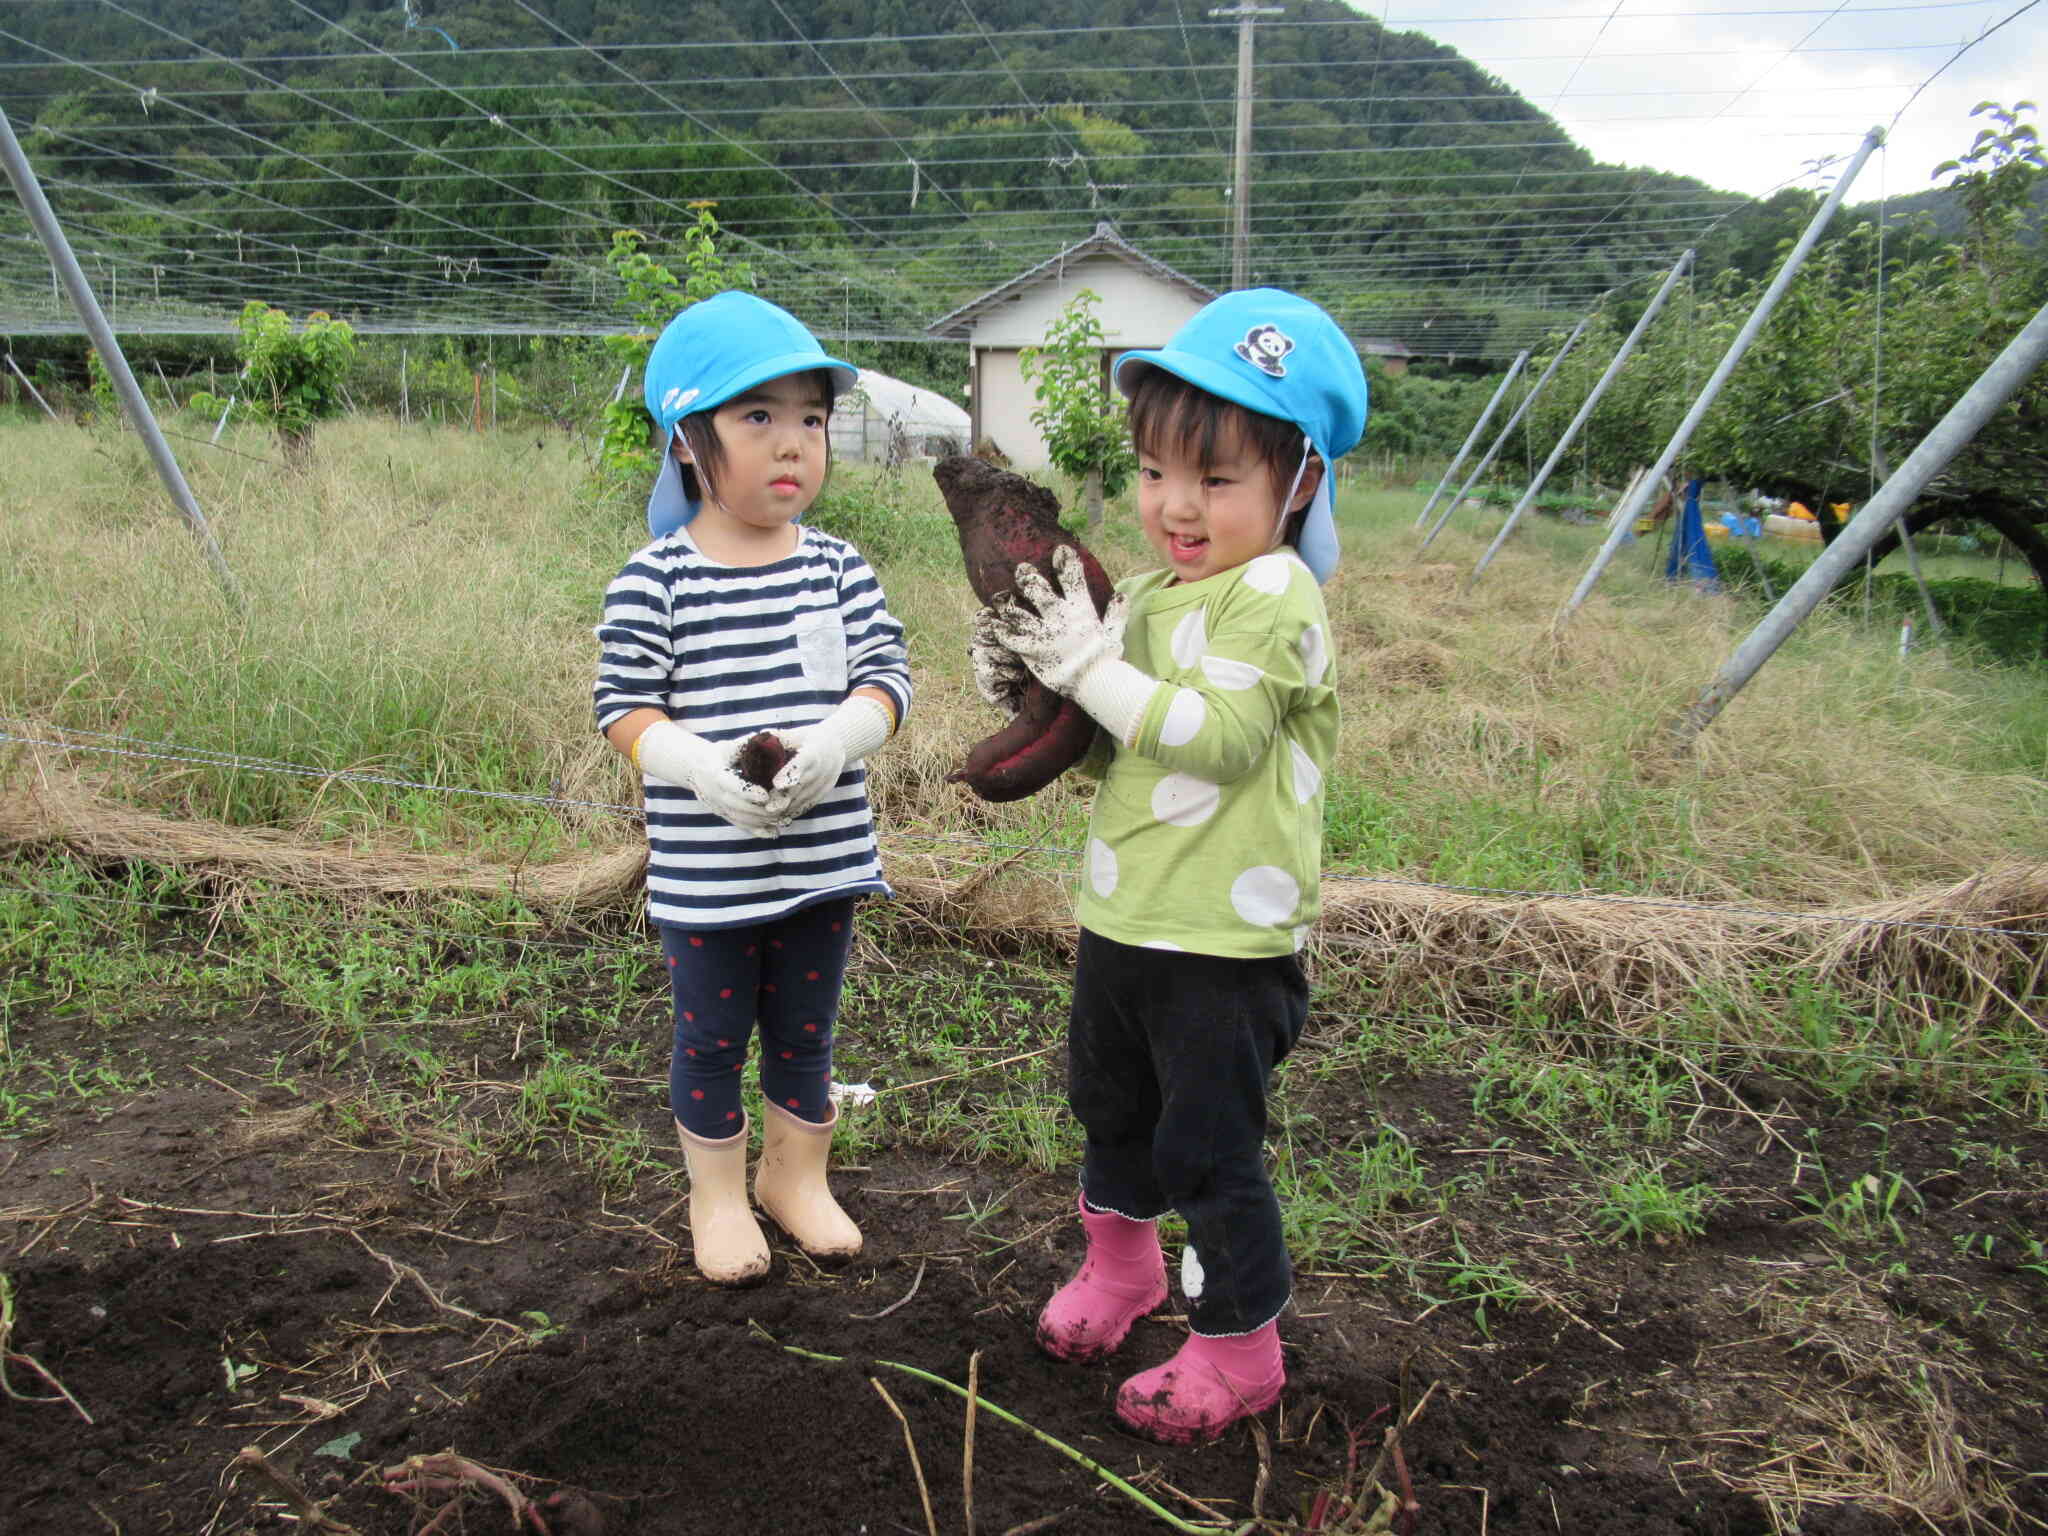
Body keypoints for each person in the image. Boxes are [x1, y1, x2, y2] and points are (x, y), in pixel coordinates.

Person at [975, 288, 1368, 1444]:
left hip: (1225, 948)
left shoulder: (1277, 598)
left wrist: (1089, 664)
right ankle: (1122, 1272)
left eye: (1216, 480)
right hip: (1126, 919)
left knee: (1206, 1147)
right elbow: (1102, 738)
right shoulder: (1145, 597)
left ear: (1298, 481)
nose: (1175, 508)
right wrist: (1028, 678)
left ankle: (1242, 1347)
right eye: (1153, 474)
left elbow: (1215, 737)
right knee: (1111, 1109)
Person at [593, 291, 911, 1286]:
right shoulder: (656, 582)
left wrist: (840, 737)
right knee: (711, 1034)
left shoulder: (839, 568)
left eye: (810, 419)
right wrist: (696, 767)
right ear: (688, 440)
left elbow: (888, 677)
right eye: (757, 418)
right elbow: (622, 708)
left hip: (822, 865)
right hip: (710, 881)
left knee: (807, 1032)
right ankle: (718, 1197)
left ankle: (795, 1180)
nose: (792, 446)